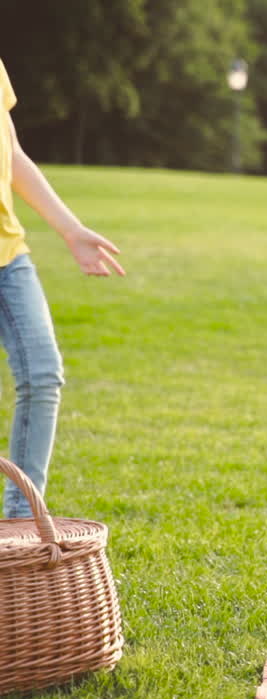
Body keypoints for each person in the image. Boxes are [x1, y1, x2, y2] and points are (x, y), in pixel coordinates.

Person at [1, 57, 125, 518]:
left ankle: (21, 521)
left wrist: (70, 230)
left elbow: (11, 153)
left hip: (8, 255)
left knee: (42, 373)